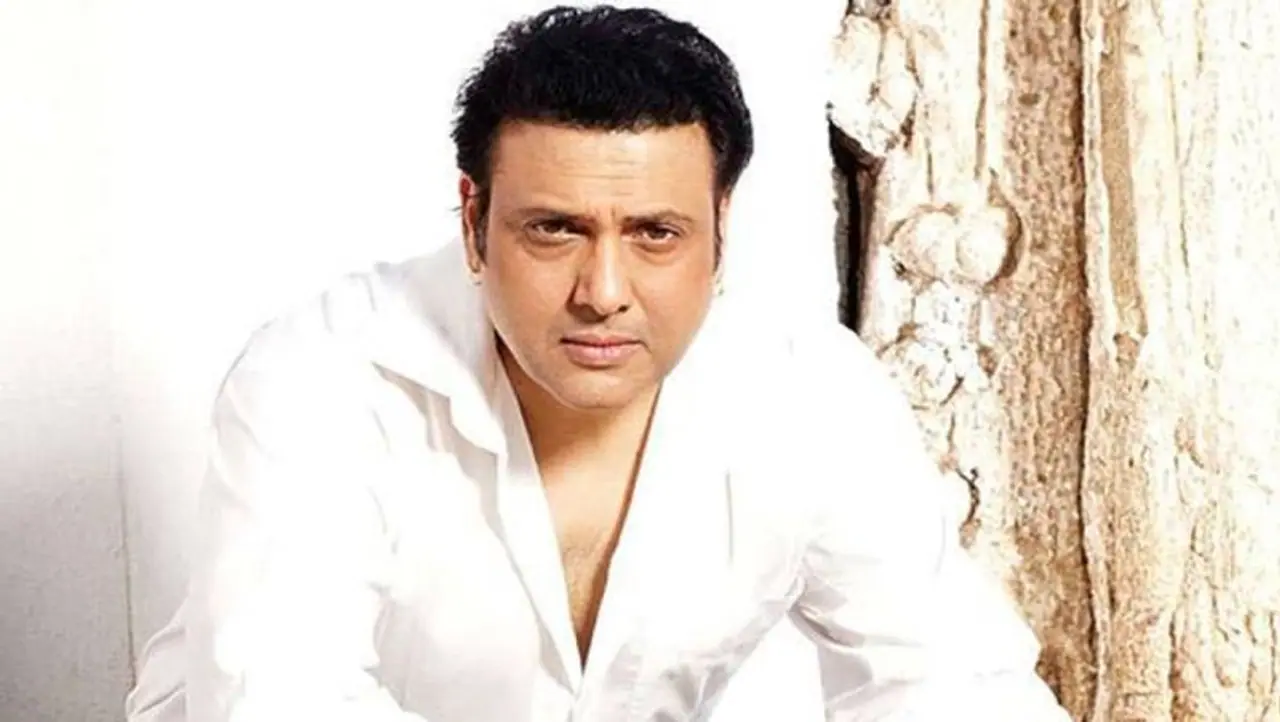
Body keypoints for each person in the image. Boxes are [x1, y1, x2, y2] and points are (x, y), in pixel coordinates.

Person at [125, 5, 1071, 721]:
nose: (604, 291)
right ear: (474, 220)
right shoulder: (325, 378)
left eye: (656, 233)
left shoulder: (805, 394)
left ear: (721, 227)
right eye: (554, 230)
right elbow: (280, 701)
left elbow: (954, 679)